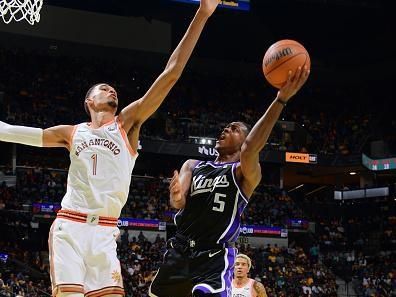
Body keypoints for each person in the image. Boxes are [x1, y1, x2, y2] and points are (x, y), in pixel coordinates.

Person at [0, 1, 221, 296]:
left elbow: (171, 73)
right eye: (103, 89)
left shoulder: (126, 124)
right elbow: (14, 133)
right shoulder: (71, 132)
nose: (111, 89)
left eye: (112, 88)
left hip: (106, 232)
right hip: (71, 227)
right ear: (89, 102)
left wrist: (203, 13)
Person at [149, 66, 309, 297]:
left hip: (213, 256)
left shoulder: (243, 173)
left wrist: (280, 100)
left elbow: (252, 147)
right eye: (226, 127)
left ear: (243, 141)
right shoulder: (193, 165)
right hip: (180, 250)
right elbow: (178, 203)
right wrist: (175, 196)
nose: (225, 129)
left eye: (234, 129)